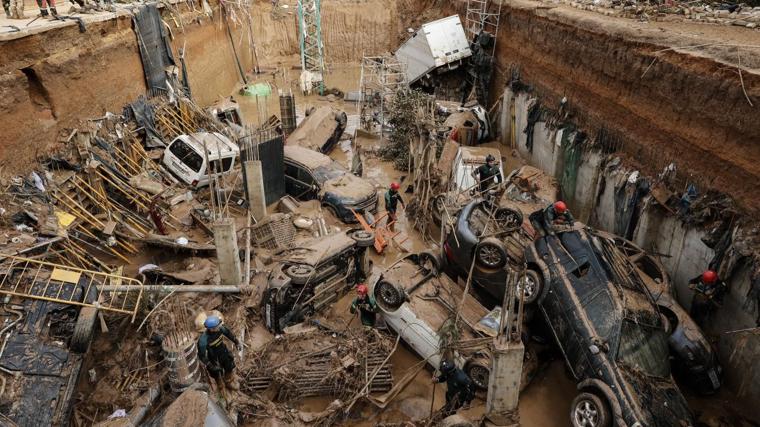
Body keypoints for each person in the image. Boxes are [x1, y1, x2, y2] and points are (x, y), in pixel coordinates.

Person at [197, 315, 242, 390]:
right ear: (211, 329)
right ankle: (220, 384)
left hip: (223, 351)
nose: (219, 326)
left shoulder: (220, 329)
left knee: (229, 365)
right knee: (216, 372)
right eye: (217, 326)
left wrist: (236, 342)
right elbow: (201, 356)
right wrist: (210, 365)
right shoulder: (203, 340)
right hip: (214, 357)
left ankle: (229, 381)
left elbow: (228, 334)